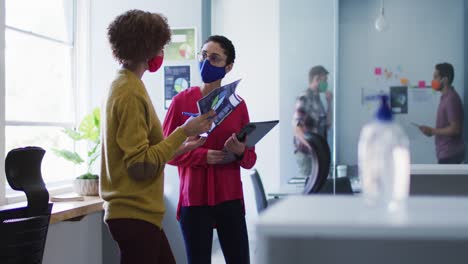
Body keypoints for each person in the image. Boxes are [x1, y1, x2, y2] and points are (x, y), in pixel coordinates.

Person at [100, 10, 214, 264]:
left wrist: (183, 146)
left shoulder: (126, 84)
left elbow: (147, 154)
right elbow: (140, 165)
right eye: (160, 46)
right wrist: (183, 131)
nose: (161, 52)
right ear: (148, 48)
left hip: (139, 214)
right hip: (134, 214)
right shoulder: (129, 92)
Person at [163, 35, 256, 264]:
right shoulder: (181, 102)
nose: (206, 62)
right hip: (194, 199)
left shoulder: (238, 106)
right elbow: (164, 152)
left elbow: (250, 159)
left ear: (229, 66)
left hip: (229, 197)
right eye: (203, 56)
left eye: (214, 58)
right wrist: (202, 156)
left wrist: (241, 151)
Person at [419, 63, 465, 164]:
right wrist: (431, 131)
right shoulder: (445, 97)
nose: (433, 81)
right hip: (446, 154)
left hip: (451, 155)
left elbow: (455, 129)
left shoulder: (451, 99)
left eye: (436, 77)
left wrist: (432, 131)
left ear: (445, 80)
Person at [293, 65, 333, 177]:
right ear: (316, 79)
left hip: (318, 153)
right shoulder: (305, 97)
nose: (326, 83)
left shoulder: (318, 99)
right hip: (307, 154)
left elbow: (328, 125)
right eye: (325, 80)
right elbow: (297, 127)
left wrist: (329, 103)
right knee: (309, 189)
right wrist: (311, 147)